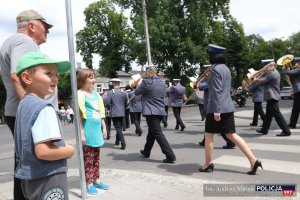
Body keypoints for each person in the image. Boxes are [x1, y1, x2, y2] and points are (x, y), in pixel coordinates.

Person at [0, 9, 54, 199]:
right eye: (44, 26)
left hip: (17, 110)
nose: (47, 31)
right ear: (31, 26)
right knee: (34, 164)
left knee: (24, 163)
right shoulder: (24, 42)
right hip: (26, 112)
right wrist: (33, 109)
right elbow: (17, 75)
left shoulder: (12, 41)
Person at [14, 52, 75, 199]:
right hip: (48, 177)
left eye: (56, 74)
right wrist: (69, 150)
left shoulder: (24, 104)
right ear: (27, 78)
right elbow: (43, 152)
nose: (55, 78)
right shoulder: (44, 108)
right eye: (48, 73)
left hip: (29, 177)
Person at [200, 44, 262, 175]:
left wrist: (217, 111)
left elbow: (216, 91)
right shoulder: (226, 69)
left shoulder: (215, 70)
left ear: (212, 56)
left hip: (216, 108)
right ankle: (253, 160)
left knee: (209, 135)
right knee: (231, 134)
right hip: (227, 106)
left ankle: (208, 163)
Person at [77, 68, 109, 195]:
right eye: (91, 78)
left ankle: (97, 180)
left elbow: (101, 112)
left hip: (96, 130)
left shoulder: (95, 94)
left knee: (96, 157)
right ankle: (89, 182)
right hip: (88, 130)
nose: (94, 80)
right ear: (83, 79)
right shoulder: (79, 94)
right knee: (88, 158)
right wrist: (82, 132)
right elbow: (79, 116)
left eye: (94, 77)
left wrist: (104, 127)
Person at [135, 66, 176, 163]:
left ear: (149, 72)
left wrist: (138, 83)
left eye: (146, 71)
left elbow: (137, 92)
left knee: (157, 133)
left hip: (151, 111)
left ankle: (170, 155)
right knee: (152, 132)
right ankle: (146, 151)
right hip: (160, 111)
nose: (145, 73)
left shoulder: (146, 82)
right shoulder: (162, 83)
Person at [198, 71, 236, 149]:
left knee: (215, 125)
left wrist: (202, 80)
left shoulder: (211, 80)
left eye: (206, 72)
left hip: (211, 105)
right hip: (214, 104)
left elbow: (200, 87)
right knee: (213, 125)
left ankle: (230, 142)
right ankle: (205, 141)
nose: (205, 74)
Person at [255, 59, 291, 136]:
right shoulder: (274, 72)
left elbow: (262, 81)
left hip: (272, 95)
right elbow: (265, 77)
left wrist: (256, 79)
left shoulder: (271, 73)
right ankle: (264, 129)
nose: (264, 68)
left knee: (277, 114)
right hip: (272, 95)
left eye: (265, 66)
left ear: (269, 65)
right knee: (268, 115)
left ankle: (286, 130)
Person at [107, 78, 129, 150]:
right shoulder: (124, 92)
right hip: (122, 112)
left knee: (118, 128)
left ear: (113, 83)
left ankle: (123, 143)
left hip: (114, 113)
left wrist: (108, 108)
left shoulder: (110, 92)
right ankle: (117, 141)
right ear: (119, 84)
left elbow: (108, 103)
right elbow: (126, 103)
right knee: (119, 127)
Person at [282, 57, 300, 129]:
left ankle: (292, 123)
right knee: (295, 109)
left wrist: (285, 68)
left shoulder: (299, 69)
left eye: (296, 62)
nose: (294, 64)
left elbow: (289, 72)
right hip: (297, 91)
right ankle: (292, 123)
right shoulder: (297, 69)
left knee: (297, 108)